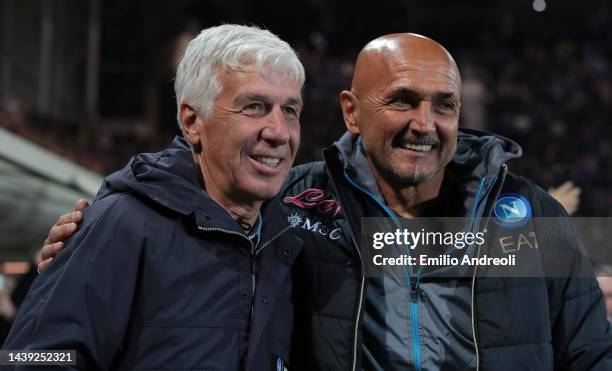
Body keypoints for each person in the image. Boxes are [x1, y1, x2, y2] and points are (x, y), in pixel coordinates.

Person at [39, 33, 612, 370]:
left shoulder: (531, 219)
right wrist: (89, 247)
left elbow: (590, 357)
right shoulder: (291, 206)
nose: (425, 124)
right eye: (403, 101)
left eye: (445, 106)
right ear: (351, 111)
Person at [3, 24, 304, 371]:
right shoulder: (122, 223)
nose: (279, 132)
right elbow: (27, 359)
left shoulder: (290, 239)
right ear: (192, 121)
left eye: (291, 111)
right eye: (254, 106)